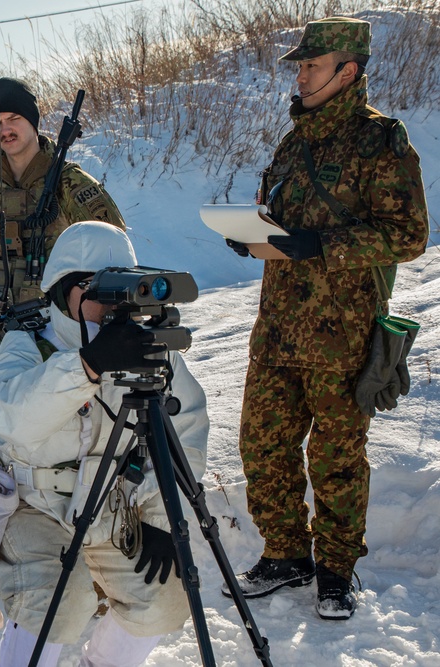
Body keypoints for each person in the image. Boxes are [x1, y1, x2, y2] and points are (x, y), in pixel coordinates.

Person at [224, 17, 428, 620]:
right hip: (277, 331)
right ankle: (285, 554)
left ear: (349, 71)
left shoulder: (381, 142)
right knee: (263, 450)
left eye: (313, 64)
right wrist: (252, 236)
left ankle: (337, 570)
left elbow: (408, 235)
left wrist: (323, 245)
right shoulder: (293, 144)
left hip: (341, 336)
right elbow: (283, 227)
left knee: (337, 458)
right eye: (301, 65)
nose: (302, 73)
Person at [0, 221, 209, 666]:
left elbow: (185, 433)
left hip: (110, 504)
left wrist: (161, 518)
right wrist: (88, 365)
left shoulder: (150, 348)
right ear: (65, 288)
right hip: (34, 505)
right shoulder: (29, 340)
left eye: (117, 286)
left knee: (163, 599)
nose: (108, 301)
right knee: (57, 603)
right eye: (93, 286)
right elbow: (11, 419)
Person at [0, 77, 126, 351]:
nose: (5, 129)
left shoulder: (68, 183)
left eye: (13, 117)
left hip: (62, 341)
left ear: (32, 120)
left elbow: (114, 249)